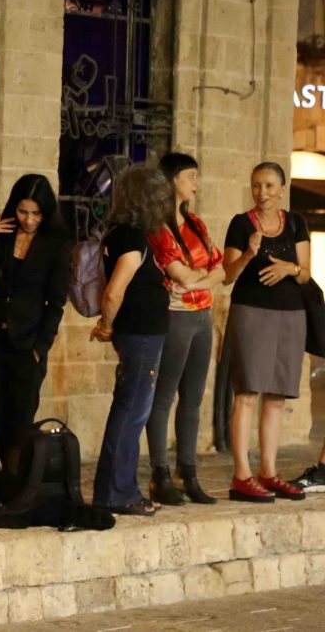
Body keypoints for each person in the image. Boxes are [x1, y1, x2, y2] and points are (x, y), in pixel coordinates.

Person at [0, 174, 71, 462]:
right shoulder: (1, 233)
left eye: (36, 213)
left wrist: (41, 347)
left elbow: (57, 302)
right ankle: (5, 483)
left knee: (22, 421)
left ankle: (19, 486)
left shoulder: (57, 243)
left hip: (28, 343)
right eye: (23, 211)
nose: (29, 219)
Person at [221, 162, 310, 502]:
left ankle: (268, 472)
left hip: (290, 315)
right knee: (246, 394)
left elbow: (305, 275)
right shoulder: (241, 224)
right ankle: (242, 475)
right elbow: (228, 275)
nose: (262, 193)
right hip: (251, 313)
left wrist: (291, 268)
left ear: (282, 188)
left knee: (276, 396)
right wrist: (249, 253)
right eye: (257, 186)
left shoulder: (297, 223)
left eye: (269, 186)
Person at [90, 165, 173, 516]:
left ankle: (116, 490)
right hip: (139, 336)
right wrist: (107, 325)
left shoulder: (123, 233)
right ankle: (117, 493)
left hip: (140, 334)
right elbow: (113, 292)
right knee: (131, 413)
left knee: (129, 410)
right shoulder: (132, 238)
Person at [145, 153, 224, 505]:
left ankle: (187, 471)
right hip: (174, 317)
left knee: (193, 398)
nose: (196, 182)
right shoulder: (157, 228)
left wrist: (197, 284)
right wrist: (199, 280)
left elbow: (223, 272)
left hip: (201, 317)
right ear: (172, 181)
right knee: (163, 397)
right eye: (190, 176)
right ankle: (159, 474)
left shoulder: (197, 225)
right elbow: (180, 273)